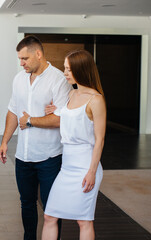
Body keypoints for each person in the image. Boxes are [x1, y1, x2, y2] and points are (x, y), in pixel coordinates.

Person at [0, 35, 72, 240]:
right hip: (23, 156)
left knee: (52, 208)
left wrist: (31, 120)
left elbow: (60, 119)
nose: (21, 63)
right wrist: (5, 141)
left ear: (38, 54)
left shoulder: (58, 80)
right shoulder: (19, 78)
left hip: (49, 158)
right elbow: (13, 111)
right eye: (19, 59)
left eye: (25, 59)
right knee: (26, 203)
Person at [42, 50, 106, 240]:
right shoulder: (72, 93)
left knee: (83, 220)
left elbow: (100, 140)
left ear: (81, 69)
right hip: (67, 167)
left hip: (86, 167)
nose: (65, 73)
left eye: (69, 69)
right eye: (65, 68)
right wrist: (56, 110)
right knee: (49, 216)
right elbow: (68, 115)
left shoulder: (96, 100)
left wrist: (92, 172)